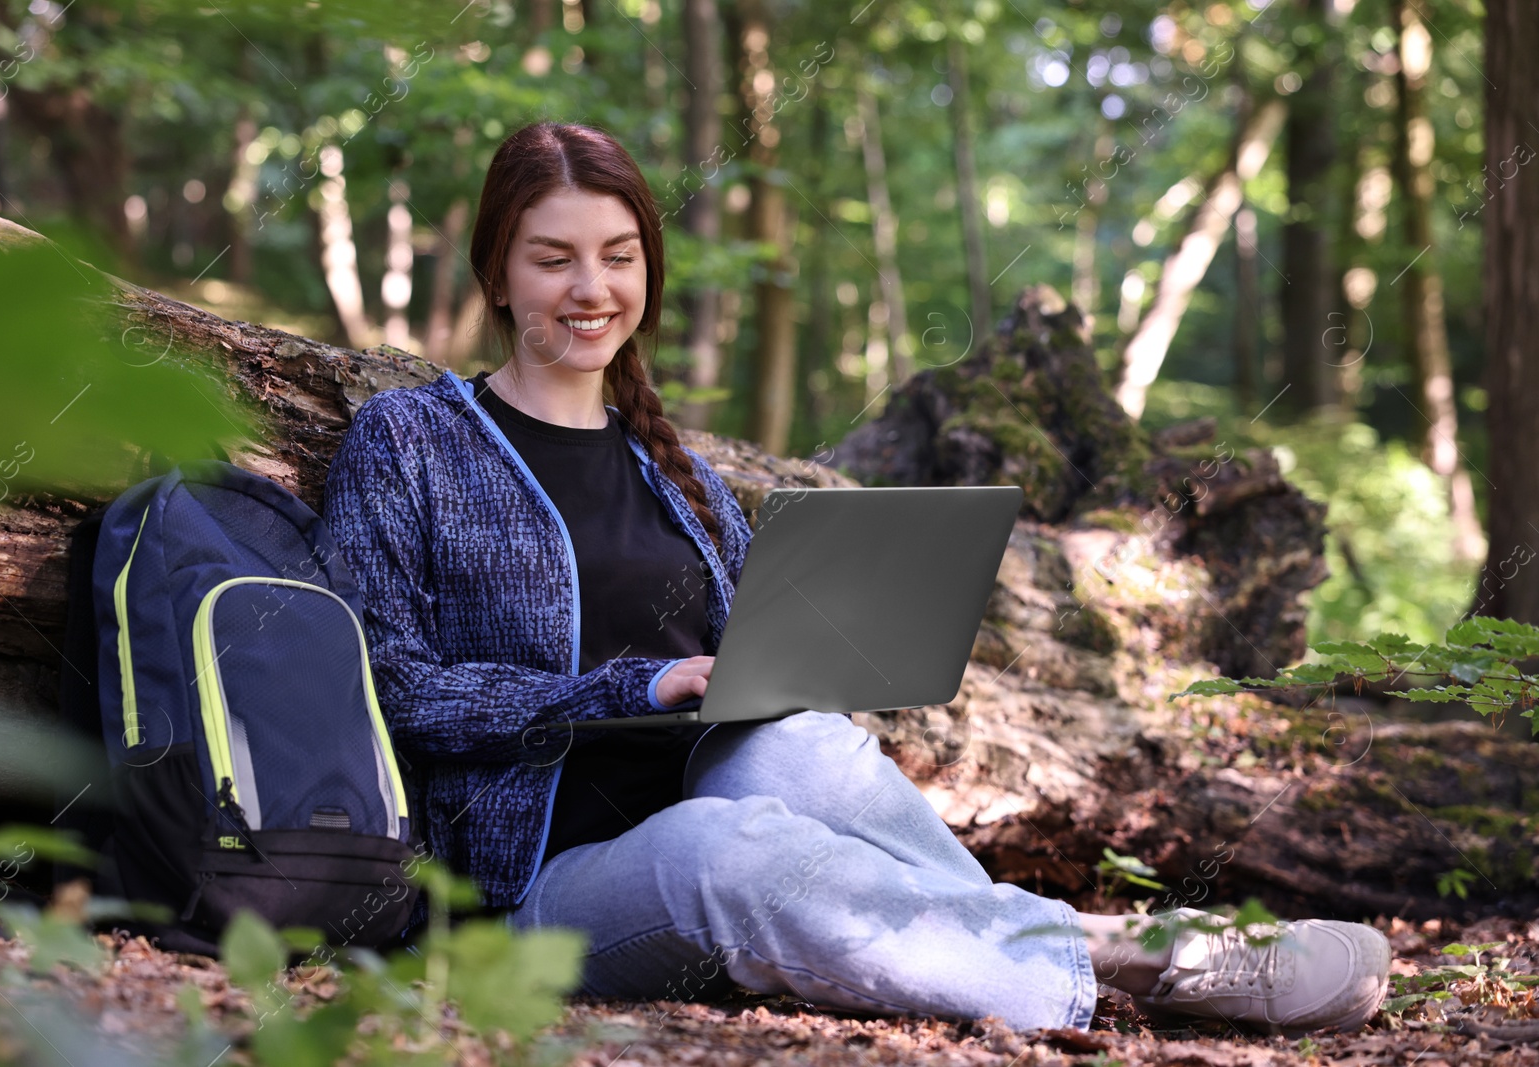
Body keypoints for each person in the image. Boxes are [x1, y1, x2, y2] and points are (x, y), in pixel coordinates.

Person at [322, 120, 1393, 1035]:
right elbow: (381, 683)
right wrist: (630, 688)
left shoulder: (670, 465)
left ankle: (1082, 956)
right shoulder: (413, 439)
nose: (591, 288)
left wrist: (802, 657)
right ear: (497, 274)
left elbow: (747, 669)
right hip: (516, 888)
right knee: (720, 846)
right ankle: (1150, 957)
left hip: (711, 805)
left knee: (802, 743)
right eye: (553, 258)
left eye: (618, 255)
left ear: (648, 267)